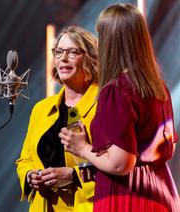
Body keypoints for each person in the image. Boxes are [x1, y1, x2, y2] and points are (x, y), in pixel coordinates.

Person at [59, 3, 180, 212]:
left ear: (110, 41)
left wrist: (82, 147)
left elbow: (120, 164)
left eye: (101, 36)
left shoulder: (117, 90)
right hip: (161, 193)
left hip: (128, 197)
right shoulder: (159, 88)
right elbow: (167, 147)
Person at [16, 26, 99, 212]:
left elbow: (119, 165)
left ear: (90, 58)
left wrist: (74, 176)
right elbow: (24, 160)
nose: (62, 58)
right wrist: (30, 176)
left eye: (72, 52)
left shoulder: (104, 104)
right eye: (59, 52)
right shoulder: (41, 109)